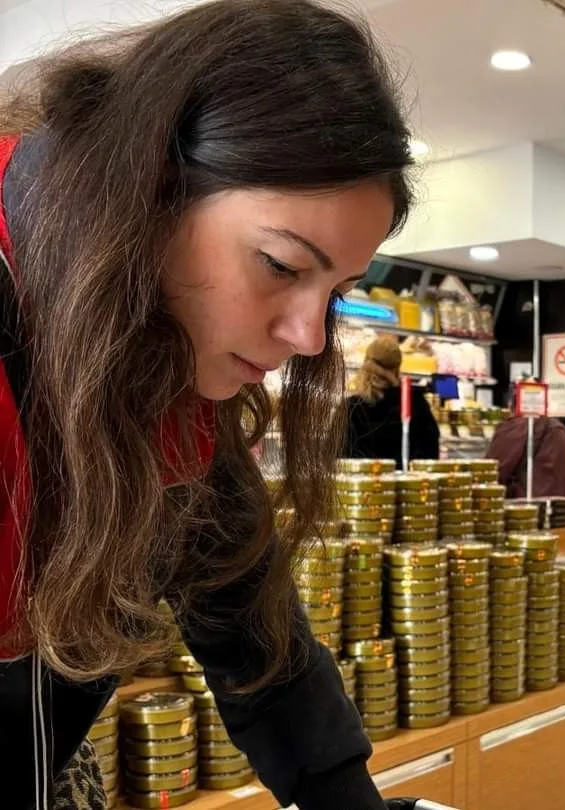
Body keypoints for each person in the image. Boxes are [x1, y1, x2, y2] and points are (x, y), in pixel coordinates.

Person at [0, 0, 413, 807]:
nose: (309, 337)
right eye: (281, 264)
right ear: (147, 191)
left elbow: (248, 617)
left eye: (335, 291)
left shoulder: (160, 357)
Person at [343, 335, 440, 466]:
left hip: (362, 484)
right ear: (397, 369)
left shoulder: (350, 408)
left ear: (365, 363)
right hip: (408, 484)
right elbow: (430, 454)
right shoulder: (415, 403)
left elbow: (337, 457)